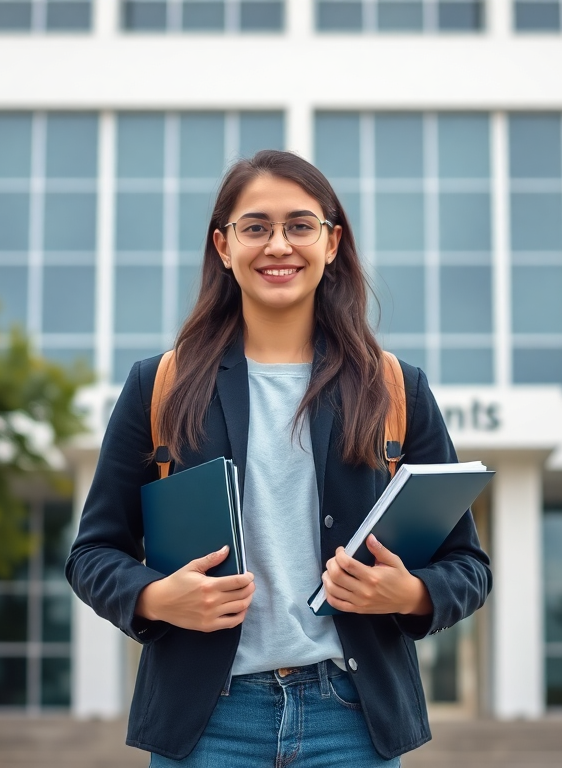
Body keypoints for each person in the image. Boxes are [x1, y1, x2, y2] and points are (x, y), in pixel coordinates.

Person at [66, 149, 491, 767]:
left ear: (331, 241)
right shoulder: (158, 386)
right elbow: (92, 554)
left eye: (299, 225)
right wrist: (156, 598)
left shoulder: (396, 389)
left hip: (353, 721)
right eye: (255, 227)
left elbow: (468, 566)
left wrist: (410, 593)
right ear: (223, 245)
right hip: (206, 722)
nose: (278, 246)